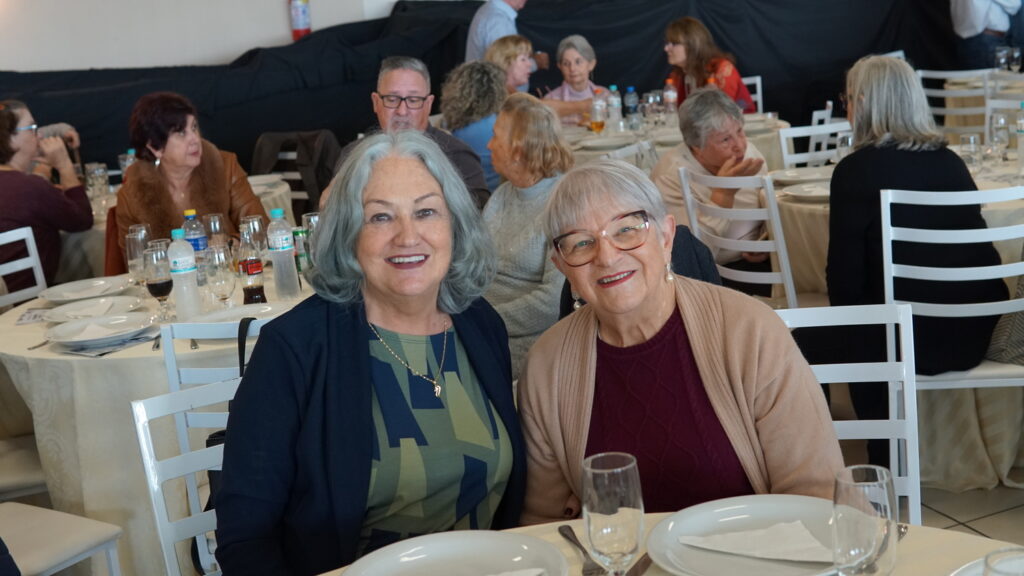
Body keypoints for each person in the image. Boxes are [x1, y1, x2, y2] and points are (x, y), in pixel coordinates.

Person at [215, 131, 526, 575]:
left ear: (455, 225)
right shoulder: (294, 349)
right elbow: (245, 539)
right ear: (347, 234)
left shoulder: (480, 325)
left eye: (426, 212)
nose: (408, 236)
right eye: (380, 217)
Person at [519, 159, 842, 524]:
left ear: (666, 237)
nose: (607, 257)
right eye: (581, 243)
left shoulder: (750, 332)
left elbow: (817, 494)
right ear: (562, 266)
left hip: (753, 550)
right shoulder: (546, 367)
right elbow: (545, 523)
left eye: (627, 230)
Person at [826, 55, 1008, 464]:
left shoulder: (854, 171)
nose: (846, 107)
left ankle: (877, 461)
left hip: (904, 344)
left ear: (864, 103)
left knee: (809, 333)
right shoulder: (951, 163)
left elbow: (844, 286)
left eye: (848, 99)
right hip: (974, 332)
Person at [323, 56, 490, 210]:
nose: (402, 111)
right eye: (392, 99)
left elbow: (477, 221)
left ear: (428, 104)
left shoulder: (457, 156)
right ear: (376, 102)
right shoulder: (352, 155)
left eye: (413, 100)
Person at [483, 92, 573, 379]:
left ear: (519, 150)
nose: (488, 145)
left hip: (524, 346)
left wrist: (484, 321)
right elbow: (474, 266)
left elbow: (552, 302)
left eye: (496, 137)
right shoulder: (502, 195)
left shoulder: (562, 205)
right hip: (481, 327)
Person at [650, 87, 769, 295]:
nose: (739, 145)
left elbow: (768, 205)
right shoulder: (670, 177)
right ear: (697, 147)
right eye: (725, 140)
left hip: (762, 263)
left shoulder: (748, 153)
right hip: (710, 280)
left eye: (740, 131)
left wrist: (765, 240)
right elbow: (689, 257)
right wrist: (723, 194)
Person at [116, 92, 267, 255]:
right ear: (155, 147)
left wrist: (232, 243)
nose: (195, 139)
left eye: (194, 127)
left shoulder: (224, 167)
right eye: (181, 133)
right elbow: (135, 261)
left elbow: (261, 229)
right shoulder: (132, 196)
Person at [0, 101, 92, 293]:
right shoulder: (29, 187)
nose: (40, 135)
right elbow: (82, 220)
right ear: (10, 138)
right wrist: (64, 164)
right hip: (26, 301)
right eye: (32, 128)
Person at [486, 36, 590, 122]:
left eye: (528, 58)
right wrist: (585, 105)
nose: (530, 64)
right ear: (505, 62)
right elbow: (541, 110)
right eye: (523, 59)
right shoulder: (501, 94)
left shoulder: (506, 91)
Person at [664, 17, 755, 113]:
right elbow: (674, 111)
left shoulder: (722, 69)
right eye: (667, 43)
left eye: (674, 43)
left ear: (693, 45)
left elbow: (721, 113)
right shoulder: (676, 75)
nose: (666, 48)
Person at [441, 60, 507, 192]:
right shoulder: (497, 127)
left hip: (461, 193)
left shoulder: (447, 123)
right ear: (497, 90)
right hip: (491, 193)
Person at [465, 0, 549, 81]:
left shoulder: (491, 11)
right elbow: (502, 67)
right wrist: (535, 63)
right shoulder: (499, 21)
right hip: (496, 89)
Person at [543, 34, 606, 126]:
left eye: (578, 62)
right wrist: (584, 106)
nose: (572, 68)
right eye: (566, 63)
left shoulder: (605, 95)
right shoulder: (551, 98)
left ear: (591, 64)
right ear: (560, 67)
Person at [951, 0, 1021, 69]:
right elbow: (1014, 4)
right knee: (998, 75)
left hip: (981, 40)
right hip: (987, 42)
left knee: (1001, 74)